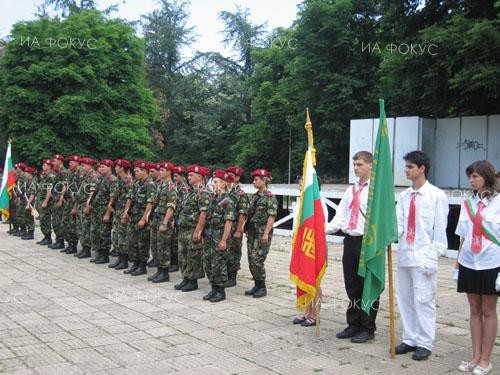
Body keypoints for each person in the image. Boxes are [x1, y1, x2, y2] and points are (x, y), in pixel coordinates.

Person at [394, 151, 449, 361]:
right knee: (405, 298)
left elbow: (440, 229)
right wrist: (389, 234)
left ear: (421, 168)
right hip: (405, 253)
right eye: (406, 167)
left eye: (409, 167)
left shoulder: (436, 195)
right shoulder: (404, 196)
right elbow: (399, 223)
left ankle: (425, 342)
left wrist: (433, 255)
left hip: (424, 255)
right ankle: (410, 338)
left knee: (424, 300)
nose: (406, 170)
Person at [326, 151, 377, 343]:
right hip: (350, 241)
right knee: (352, 286)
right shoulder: (350, 190)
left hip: (368, 243)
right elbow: (339, 219)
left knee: (368, 286)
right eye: (354, 164)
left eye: (360, 164)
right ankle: (353, 323)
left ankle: (367, 327)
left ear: (371, 165)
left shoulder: (376, 190)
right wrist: (320, 229)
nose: (356, 168)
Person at [455, 160, 499, 375]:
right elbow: (463, 235)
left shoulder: (499, 203)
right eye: (469, 176)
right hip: (469, 261)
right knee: (474, 309)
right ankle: (475, 356)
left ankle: (486, 359)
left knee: (489, 310)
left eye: (475, 176)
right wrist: (456, 265)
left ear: (486, 177)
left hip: (492, 261)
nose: (471, 180)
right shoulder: (468, 203)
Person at [292, 174, 328, 327]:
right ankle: (306, 312)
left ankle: (315, 314)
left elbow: (320, 229)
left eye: (303, 185)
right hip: (300, 246)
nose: (300, 188)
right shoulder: (299, 204)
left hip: (314, 247)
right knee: (303, 278)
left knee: (315, 281)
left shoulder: (319, 205)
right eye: (300, 186)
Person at [175, 165, 211, 292]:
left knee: (193, 255)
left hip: (193, 228)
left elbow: (204, 213)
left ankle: (193, 281)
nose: (188, 177)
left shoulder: (204, 192)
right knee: (183, 254)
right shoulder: (191, 191)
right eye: (188, 175)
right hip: (184, 228)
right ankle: (186, 278)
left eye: (191, 175)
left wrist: (198, 230)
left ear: (200, 177)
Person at [203, 170, 236, 302]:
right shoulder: (215, 199)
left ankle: (220, 291)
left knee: (219, 263)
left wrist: (223, 240)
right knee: (209, 262)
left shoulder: (228, 201)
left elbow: (228, 222)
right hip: (210, 235)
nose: (213, 185)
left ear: (223, 184)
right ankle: (214, 288)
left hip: (219, 235)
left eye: (216, 182)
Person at [245, 169, 278, 298]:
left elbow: (271, 216)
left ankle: (262, 287)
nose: (254, 182)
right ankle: (257, 285)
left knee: (257, 259)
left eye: (256, 180)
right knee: (250, 259)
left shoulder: (270, 197)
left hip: (262, 233)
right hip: (252, 232)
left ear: (264, 181)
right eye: (254, 180)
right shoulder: (255, 196)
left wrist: (266, 233)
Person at [122, 161, 155, 276]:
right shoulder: (135, 183)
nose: (135, 173)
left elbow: (150, 203)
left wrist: (143, 219)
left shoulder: (150, 184)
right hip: (133, 216)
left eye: (137, 171)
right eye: (134, 171)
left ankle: (142, 266)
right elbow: (129, 199)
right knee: (132, 242)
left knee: (142, 243)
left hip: (141, 217)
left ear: (145, 171)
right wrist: (125, 213)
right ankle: (135, 264)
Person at [147, 162, 177, 283]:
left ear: (169, 172)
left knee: (163, 246)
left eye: (163, 170)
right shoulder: (160, 185)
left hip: (164, 220)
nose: (160, 172)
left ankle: (164, 273)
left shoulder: (171, 187)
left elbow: (171, 206)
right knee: (155, 245)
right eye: (160, 170)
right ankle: (159, 270)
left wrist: (165, 223)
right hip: (156, 218)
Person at [225, 166, 249, 287]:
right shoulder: (224, 190)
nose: (228, 176)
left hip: (234, 226)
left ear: (238, 178)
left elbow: (242, 214)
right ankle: (224, 274)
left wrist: (239, 230)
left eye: (232, 175)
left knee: (233, 252)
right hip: (224, 226)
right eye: (227, 174)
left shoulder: (240, 194)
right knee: (224, 251)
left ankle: (232, 276)